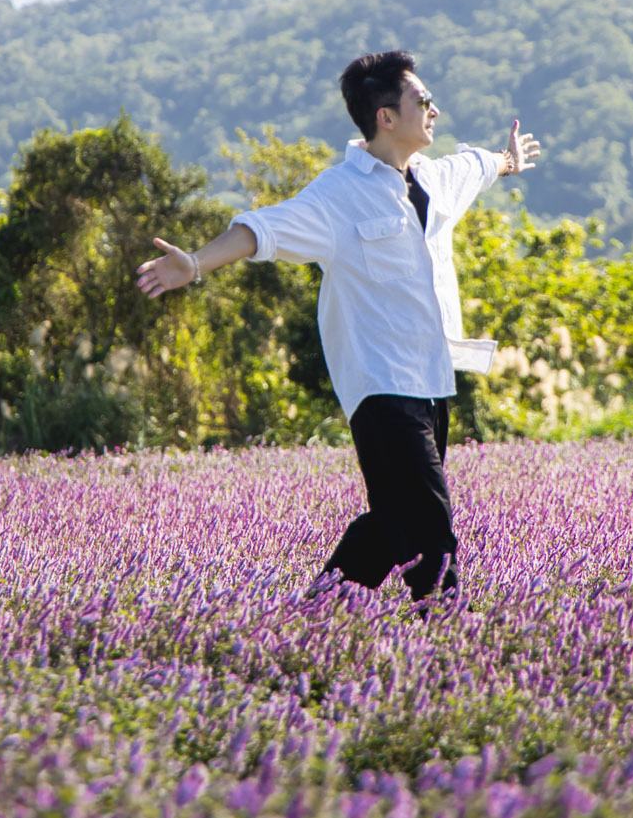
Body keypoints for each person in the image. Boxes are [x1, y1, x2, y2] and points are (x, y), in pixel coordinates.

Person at [136, 50, 540, 601]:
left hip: (432, 382)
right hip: (381, 388)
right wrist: (196, 263)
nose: (435, 110)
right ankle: (449, 631)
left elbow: (480, 165)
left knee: (391, 521)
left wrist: (509, 158)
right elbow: (261, 230)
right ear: (386, 117)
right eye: (423, 100)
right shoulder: (338, 195)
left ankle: (316, 614)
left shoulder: (435, 179)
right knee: (430, 530)